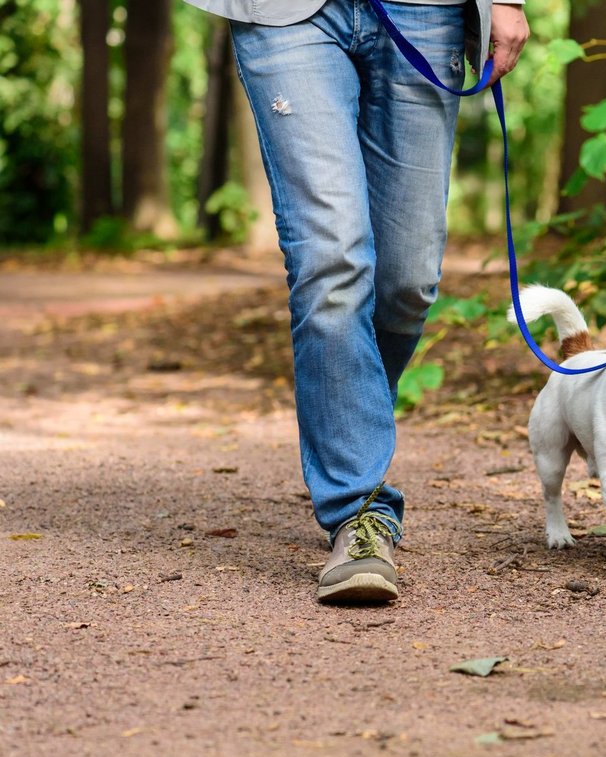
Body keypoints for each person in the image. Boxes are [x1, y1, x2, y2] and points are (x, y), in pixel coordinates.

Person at [184, 0, 529, 602]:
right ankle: (360, 510)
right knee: (331, 260)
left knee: (407, 281)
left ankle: (352, 424)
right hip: (284, 14)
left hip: (426, 9)